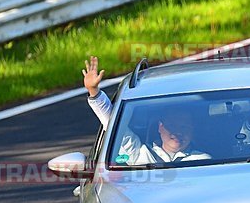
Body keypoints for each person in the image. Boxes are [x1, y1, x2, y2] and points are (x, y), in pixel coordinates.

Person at [82, 56, 210, 165]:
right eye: (172, 126)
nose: (177, 132)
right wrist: (94, 91)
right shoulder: (139, 153)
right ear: (160, 127)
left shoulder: (203, 160)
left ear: (192, 129)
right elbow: (111, 123)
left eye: (183, 127)